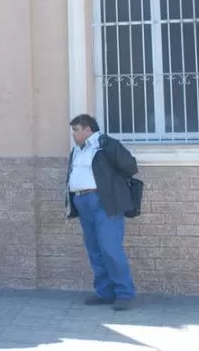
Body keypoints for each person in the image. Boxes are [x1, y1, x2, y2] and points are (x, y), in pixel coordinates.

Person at [65, 113, 138, 310]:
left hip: (103, 202)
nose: (73, 134)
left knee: (111, 249)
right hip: (82, 202)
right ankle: (105, 293)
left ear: (88, 129)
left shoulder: (105, 145)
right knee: (95, 251)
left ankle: (124, 293)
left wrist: (111, 186)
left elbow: (130, 166)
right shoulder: (77, 151)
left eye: (76, 130)